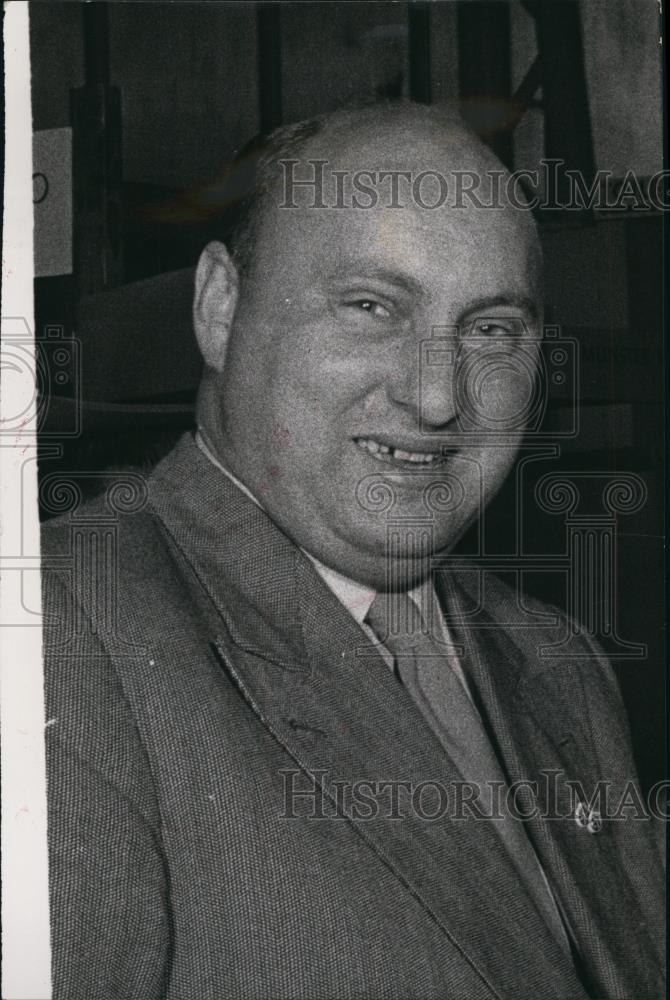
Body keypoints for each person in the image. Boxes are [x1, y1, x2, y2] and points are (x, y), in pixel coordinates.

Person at [41, 102, 664, 1000]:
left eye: (492, 329)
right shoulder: (60, 639)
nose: (438, 396)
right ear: (220, 307)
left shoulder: (557, 659)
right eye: (372, 307)